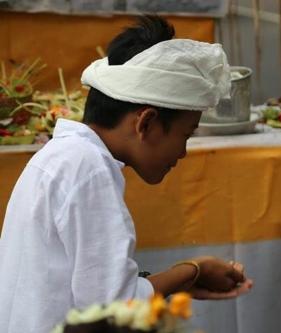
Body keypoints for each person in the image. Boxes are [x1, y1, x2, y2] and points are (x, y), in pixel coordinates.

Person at [0, 16, 252, 333]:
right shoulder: (88, 169)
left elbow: (93, 288)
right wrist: (193, 271)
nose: (182, 153)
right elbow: (113, 308)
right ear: (145, 122)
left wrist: (179, 283)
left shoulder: (63, 157)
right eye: (185, 135)